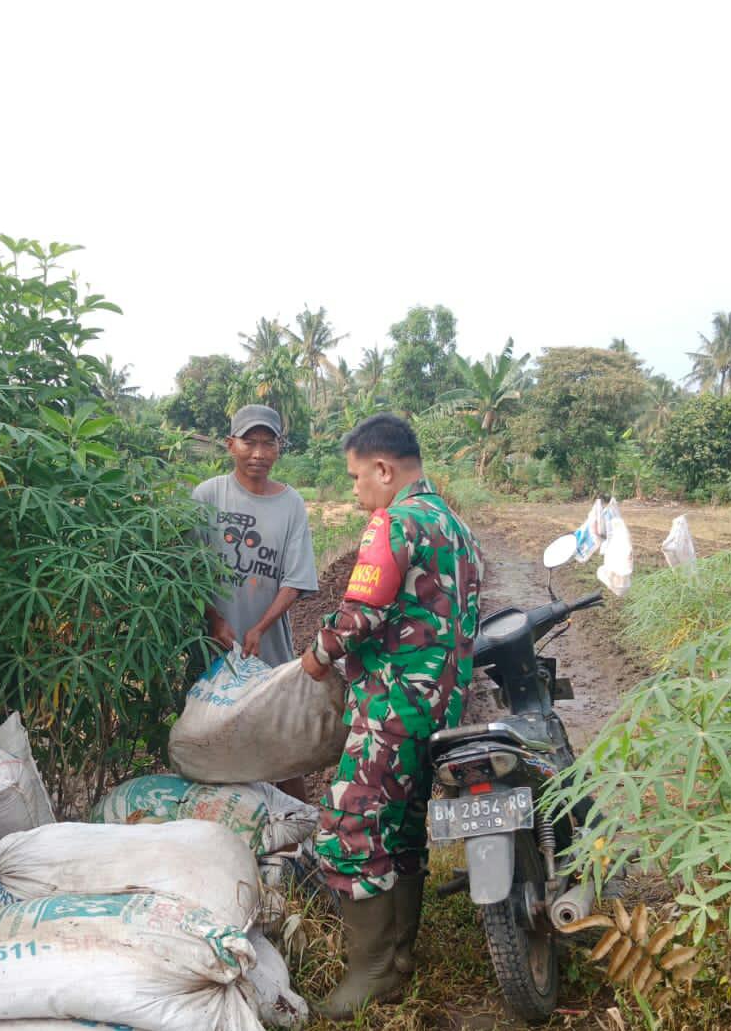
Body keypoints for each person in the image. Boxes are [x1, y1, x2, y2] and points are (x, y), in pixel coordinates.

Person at [299, 412, 482, 1019]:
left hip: (393, 707)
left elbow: (360, 613)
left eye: (356, 477)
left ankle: (373, 968)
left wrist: (318, 655)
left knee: (349, 827)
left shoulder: (396, 522)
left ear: (384, 469)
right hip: (441, 708)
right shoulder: (455, 526)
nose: (354, 491)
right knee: (401, 828)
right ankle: (401, 956)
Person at [192, 404, 319, 800]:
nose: (259, 453)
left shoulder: (290, 503)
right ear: (231, 444)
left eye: (269, 443)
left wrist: (261, 627)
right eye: (250, 441)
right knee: (215, 743)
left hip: (269, 651)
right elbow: (190, 571)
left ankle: (300, 838)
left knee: (282, 750)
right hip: (212, 649)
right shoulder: (208, 495)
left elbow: (296, 579)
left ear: (280, 448)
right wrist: (214, 620)